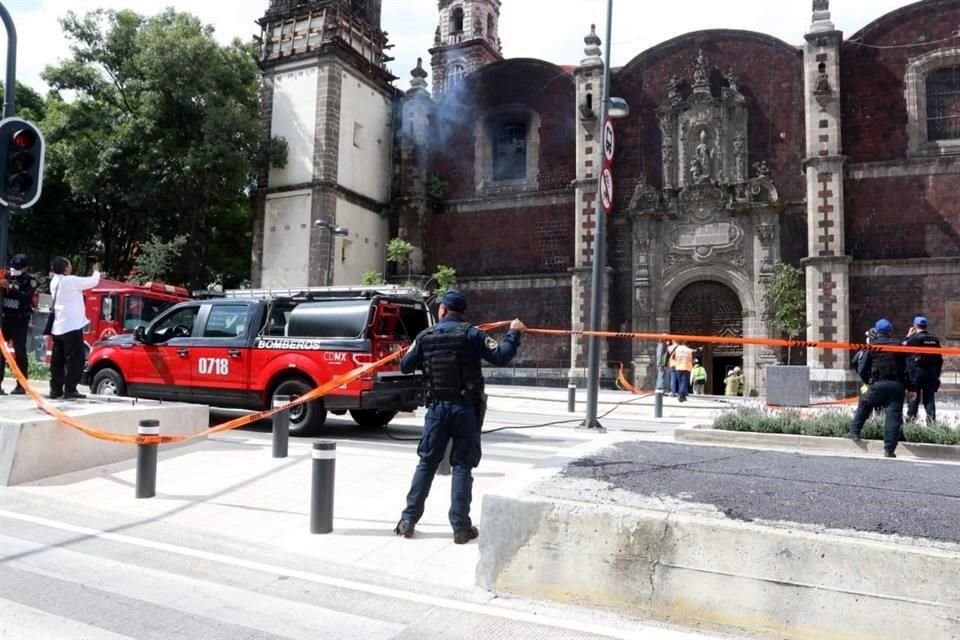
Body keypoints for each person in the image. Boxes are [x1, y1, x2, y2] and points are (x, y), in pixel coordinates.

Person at [395, 289, 525, 544]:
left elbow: (405, 365)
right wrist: (514, 332)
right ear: (462, 311)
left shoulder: (425, 336)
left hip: (436, 410)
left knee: (427, 463)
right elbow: (501, 356)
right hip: (465, 409)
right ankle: (461, 528)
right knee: (462, 466)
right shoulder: (471, 334)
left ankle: (408, 521)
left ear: (442, 310)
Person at [847, 318, 907, 458]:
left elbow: (862, 367)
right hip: (896, 385)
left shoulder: (872, 346)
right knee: (893, 416)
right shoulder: (898, 345)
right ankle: (889, 450)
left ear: (877, 330)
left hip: (878, 383)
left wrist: (867, 381)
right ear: (889, 331)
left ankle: (854, 432)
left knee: (865, 404)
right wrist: (908, 385)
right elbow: (906, 365)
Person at [49, 257, 100, 400]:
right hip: (72, 327)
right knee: (75, 360)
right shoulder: (70, 281)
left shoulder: (54, 282)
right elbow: (92, 282)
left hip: (58, 327)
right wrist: (96, 271)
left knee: (57, 361)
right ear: (66, 268)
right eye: (69, 265)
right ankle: (70, 389)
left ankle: (55, 389)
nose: (71, 267)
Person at [0, 254, 38, 394]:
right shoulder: (6, 275)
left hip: (20, 320)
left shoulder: (30, 281)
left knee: (20, 352)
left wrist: (10, 287)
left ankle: (21, 385)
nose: (14, 270)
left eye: (18, 268)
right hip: (5, 319)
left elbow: (26, 297)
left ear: (25, 268)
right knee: (1, 352)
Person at [902, 316, 943, 424]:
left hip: (916, 373)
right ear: (926, 326)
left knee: (913, 398)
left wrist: (908, 336)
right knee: (929, 399)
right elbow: (939, 359)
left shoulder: (913, 339)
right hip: (931, 373)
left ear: (915, 326)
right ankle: (932, 424)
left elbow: (902, 348)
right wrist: (937, 375)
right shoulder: (934, 339)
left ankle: (910, 423)